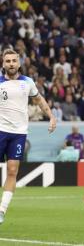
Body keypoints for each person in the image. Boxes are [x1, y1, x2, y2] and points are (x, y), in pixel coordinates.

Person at [0, 49, 56, 224]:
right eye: (7, 61)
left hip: (19, 134)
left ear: (19, 63)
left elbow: (39, 100)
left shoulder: (28, 82)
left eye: (13, 61)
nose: (11, 64)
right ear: (3, 63)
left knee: (12, 171)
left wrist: (51, 116)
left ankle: (2, 210)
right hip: (0, 130)